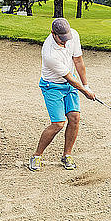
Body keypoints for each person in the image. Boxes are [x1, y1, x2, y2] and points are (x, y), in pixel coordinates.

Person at [29, 18, 95, 171]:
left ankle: (67, 155)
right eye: (61, 39)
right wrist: (85, 91)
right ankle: (37, 155)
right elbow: (69, 78)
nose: (65, 43)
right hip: (52, 86)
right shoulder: (49, 53)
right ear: (53, 33)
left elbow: (78, 61)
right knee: (58, 123)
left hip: (69, 84)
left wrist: (86, 85)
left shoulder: (73, 35)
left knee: (75, 117)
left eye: (67, 38)